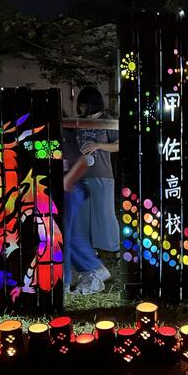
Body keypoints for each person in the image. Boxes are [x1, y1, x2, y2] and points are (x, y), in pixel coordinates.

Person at [62, 128, 109, 295]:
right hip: (70, 188)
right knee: (70, 234)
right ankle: (93, 269)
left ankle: (66, 280)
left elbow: (81, 161)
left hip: (70, 189)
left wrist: (66, 182)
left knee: (64, 234)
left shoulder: (61, 137)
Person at [75, 87, 120, 256]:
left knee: (104, 212)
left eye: (83, 105)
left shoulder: (107, 121)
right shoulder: (79, 122)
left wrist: (98, 145)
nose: (80, 108)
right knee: (84, 215)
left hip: (102, 173)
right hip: (80, 175)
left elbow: (118, 145)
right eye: (80, 105)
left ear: (91, 104)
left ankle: (113, 247)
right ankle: (89, 248)